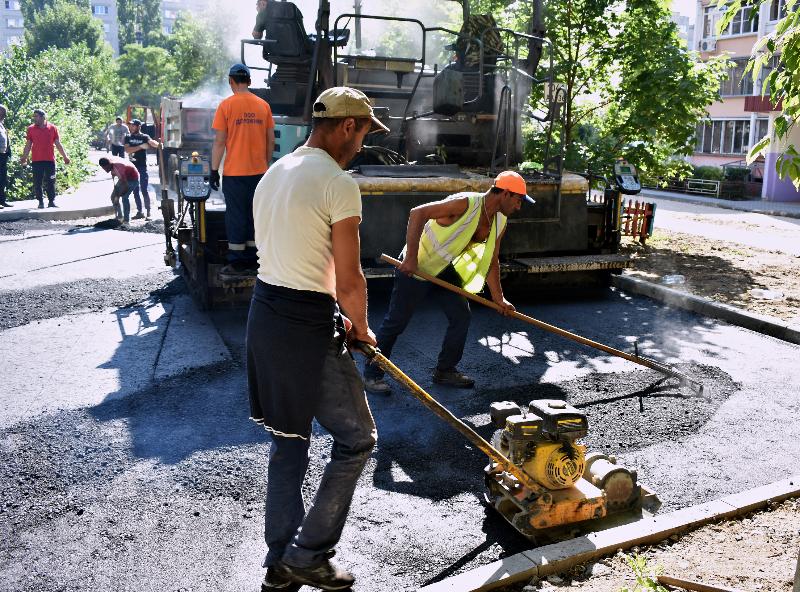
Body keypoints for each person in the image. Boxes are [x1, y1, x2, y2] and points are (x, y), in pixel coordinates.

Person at [247, 86, 388, 592]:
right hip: (306, 327)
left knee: (289, 445)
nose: (363, 144)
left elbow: (295, 256)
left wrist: (337, 309)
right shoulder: (337, 182)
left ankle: (280, 562)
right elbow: (349, 277)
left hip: (266, 316)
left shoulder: (276, 172)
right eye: (365, 132)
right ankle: (309, 555)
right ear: (348, 126)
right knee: (357, 440)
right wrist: (364, 330)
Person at [363, 170, 534, 394]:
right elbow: (417, 213)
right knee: (397, 322)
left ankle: (445, 370)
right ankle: (372, 375)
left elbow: (492, 258)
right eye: (519, 200)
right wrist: (412, 257)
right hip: (420, 265)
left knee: (461, 315)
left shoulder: (500, 221)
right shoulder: (465, 204)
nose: (519, 207)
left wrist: (499, 298)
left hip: (445, 270)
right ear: (505, 194)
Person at [211, 62, 275, 278]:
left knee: (236, 215)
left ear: (231, 82)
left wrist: (213, 170)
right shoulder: (263, 106)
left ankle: (238, 262)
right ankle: (256, 259)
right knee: (256, 215)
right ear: (249, 81)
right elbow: (270, 141)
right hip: (259, 173)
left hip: (234, 174)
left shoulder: (226, 106)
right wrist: (265, 167)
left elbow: (220, 142)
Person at [19, 109, 70, 209]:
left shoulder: (52, 128)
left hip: (50, 160)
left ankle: (51, 201)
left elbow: (58, 143)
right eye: (34, 116)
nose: (34, 118)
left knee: (51, 181)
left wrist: (65, 156)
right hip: (37, 160)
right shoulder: (31, 129)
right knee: (38, 182)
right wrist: (24, 157)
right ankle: (40, 202)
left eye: (36, 116)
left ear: (43, 117)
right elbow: (28, 144)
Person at [123, 118, 161, 220]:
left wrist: (158, 145)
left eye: (133, 125)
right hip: (132, 168)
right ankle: (140, 212)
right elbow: (127, 150)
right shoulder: (128, 137)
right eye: (130, 125)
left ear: (138, 126)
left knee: (144, 189)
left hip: (142, 167)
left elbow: (151, 143)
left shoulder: (144, 136)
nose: (131, 127)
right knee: (135, 190)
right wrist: (141, 146)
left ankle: (148, 211)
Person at [98, 156, 139, 226]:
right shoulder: (111, 164)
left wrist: (118, 195)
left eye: (105, 168)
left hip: (133, 179)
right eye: (103, 168)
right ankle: (120, 217)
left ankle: (126, 220)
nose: (104, 170)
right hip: (123, 178)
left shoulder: (119, 168)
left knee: (125, 197)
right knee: (113, 197)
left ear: (109, 165)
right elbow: (115, 179)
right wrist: (116, 194)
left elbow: (125, 185)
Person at [0, 104, 10, 209]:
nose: (4, 114)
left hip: (3, 156)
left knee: (3, 179)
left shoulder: (2, 125)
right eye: (2, 112)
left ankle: (2, 201)